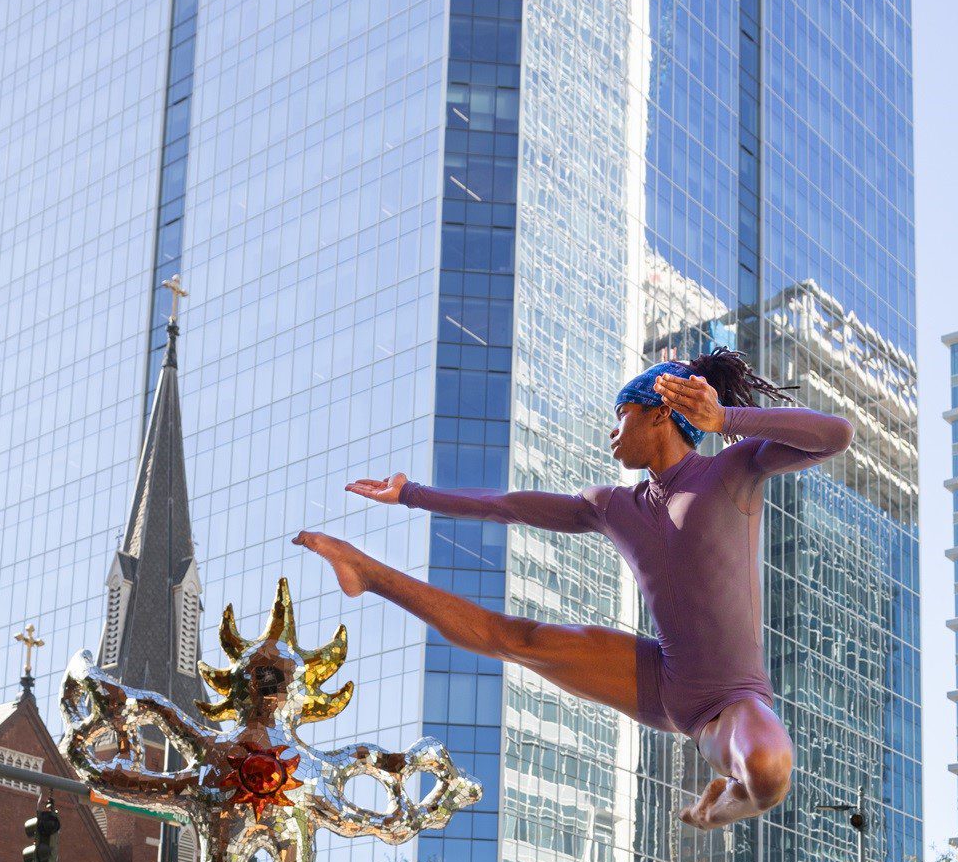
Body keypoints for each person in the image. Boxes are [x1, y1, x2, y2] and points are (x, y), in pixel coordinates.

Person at [294, 349, 853, 830]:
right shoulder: (613, 506)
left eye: (622, 416)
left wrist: (726, 417)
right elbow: (508, 507)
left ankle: (719, 808)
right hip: (661, 679)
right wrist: (412, 494)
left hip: (730, 698)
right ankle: (368, 573)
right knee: (518, 639)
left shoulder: (733, 470)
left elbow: (836, 436)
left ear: (660, 413)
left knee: (769, 771)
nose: (613, 432)